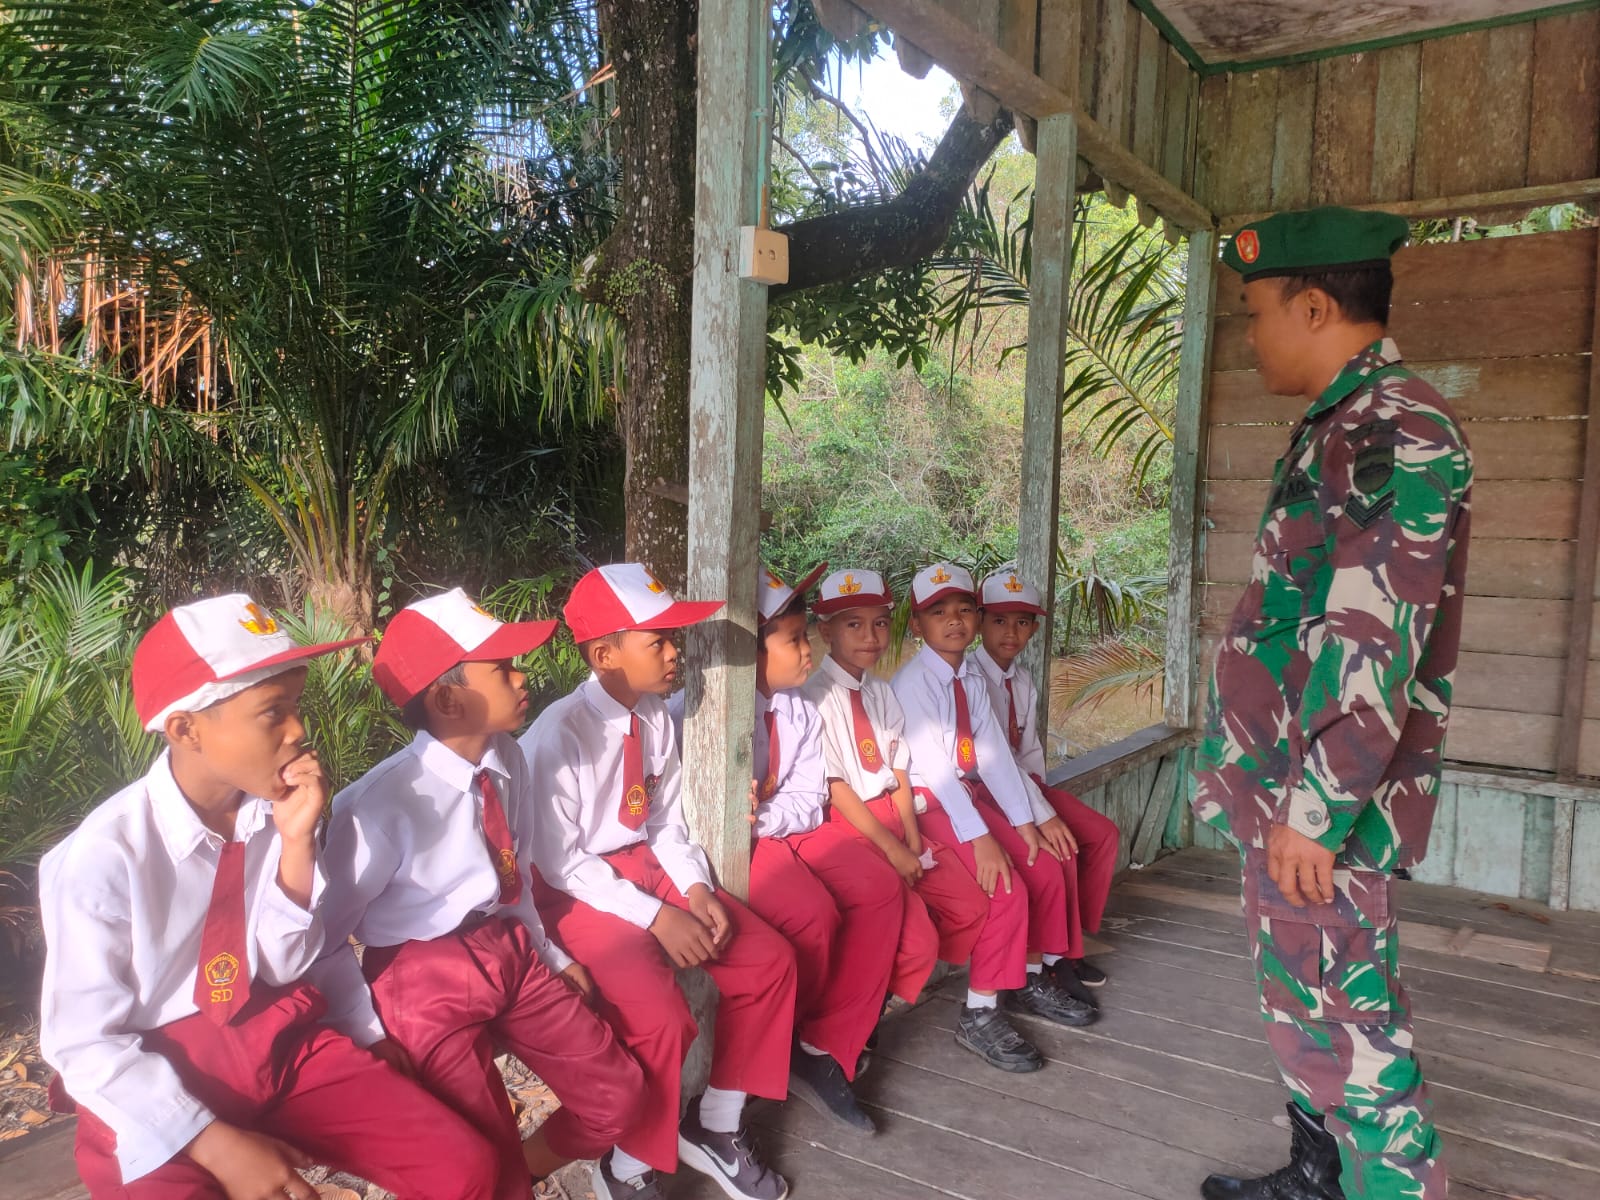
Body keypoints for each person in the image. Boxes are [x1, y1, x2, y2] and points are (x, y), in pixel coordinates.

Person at [38, 594, 501, 1200]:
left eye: (296, 706)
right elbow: (83, 1043)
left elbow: (284, 963)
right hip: (145, 1069)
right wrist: (213, 1141)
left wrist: (296, 845)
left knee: (465, 1167)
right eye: (272, 711)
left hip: (272, 1040)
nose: (299, 730)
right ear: (186, 729)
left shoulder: (274, 812)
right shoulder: (103, 857)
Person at [1192, 206, 1472, 1200]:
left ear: (1313, 304)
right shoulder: (1347, 423)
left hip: (1321, 813)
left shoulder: (1394, 430)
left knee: (1354, 1042)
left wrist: (1313, 812)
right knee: (1309, 1015)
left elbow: (1372, 643)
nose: (1249, 333)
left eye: (1253, 311)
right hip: (1288, 797)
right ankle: (1322, 1177)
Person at [308, 588, 646, 1199]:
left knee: (617, 1096)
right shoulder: (377, 806)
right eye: (503, 669)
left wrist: (553, 956)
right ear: (445, 698)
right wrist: (368, 1032)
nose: (524, 677)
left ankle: (515, 1174)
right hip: (419, 977)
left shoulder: (507, 759)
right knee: (474, 1148)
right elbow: (328, 936)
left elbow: (510, 876)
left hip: (506, 946)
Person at [520, 563, 798, 1200]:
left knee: (769, 961)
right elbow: (562, 862)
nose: (676, 655)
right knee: (662, 1021)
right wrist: (656, 917)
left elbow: (666, 821)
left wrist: (696, 891)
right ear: (604, 653)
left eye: (674, 640)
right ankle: (625, 1165)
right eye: (659, 643)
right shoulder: (557, 738)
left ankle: (716, 1124)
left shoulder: (656, 718)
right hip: (577, 891)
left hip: (648, 867)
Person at [893, 563, 1097, 1074]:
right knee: (1005, 887)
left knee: (1043, 863)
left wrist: (1024, 822)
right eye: (938, 613)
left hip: (966, 796)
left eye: (964, 610)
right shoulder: (913, 682)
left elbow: (995, 757)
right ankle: (979, 1013)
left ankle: (1028, 978)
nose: (955, 621)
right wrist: (983, 837)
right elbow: (937, 772)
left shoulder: (969, 678)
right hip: (930, 804)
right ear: (917, 625)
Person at [744, 563, 919, 1133]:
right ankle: (794, 1038)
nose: (805, 654)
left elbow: (807, 796)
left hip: (782, 825)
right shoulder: (711, 714)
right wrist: (759, 821)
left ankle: (825, 1045)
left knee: (879, 888)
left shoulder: (797, 707)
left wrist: (766, 815)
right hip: (738, 842)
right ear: (751, 649)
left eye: (802, 638)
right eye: (793, 641)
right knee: (813, 916)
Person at [801, 567, 982, 1008]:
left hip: (896, 815)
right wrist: (893, 849)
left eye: (880, 623)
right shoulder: (812, 698)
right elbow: (838, 787)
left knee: (971, 906)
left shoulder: (881, 692)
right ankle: (865, 1008)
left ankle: (880, 991)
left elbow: (900, 770)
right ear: (825, 631)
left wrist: (914, 841)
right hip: (851, 822)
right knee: (911, 937)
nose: (871, 636)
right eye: (853, 624)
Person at [972, 564, 1120, 1006]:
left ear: (1035, 627)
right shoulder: (972, 678)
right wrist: (1040, 813)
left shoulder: (1020, 677)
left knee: (1102, 835)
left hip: (1024, 786)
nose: (1011, 632)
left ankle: (1066, 947)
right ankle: (1050, 959)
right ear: (979, 620)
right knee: (1059, 848)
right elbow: (991, 762)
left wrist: (1043, 795)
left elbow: (1029, 749)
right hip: (989, 790)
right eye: (999, 620)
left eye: (1022, 622)